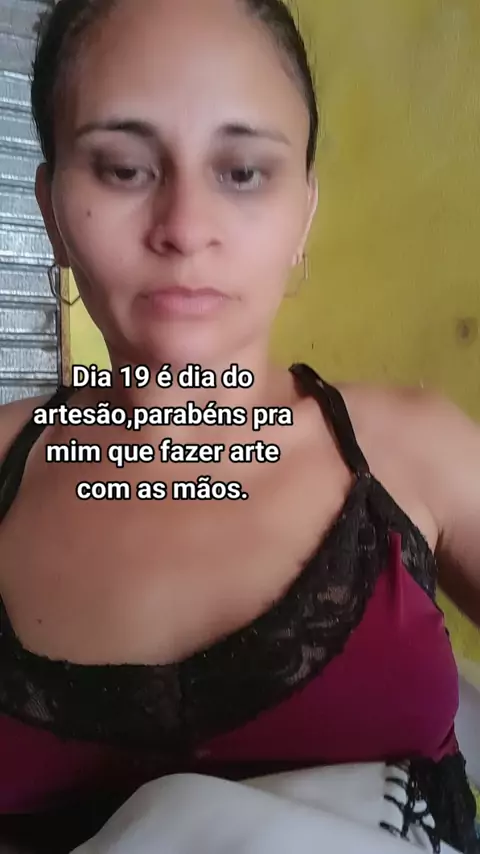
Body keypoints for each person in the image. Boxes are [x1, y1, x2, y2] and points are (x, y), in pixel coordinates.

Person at [0, 0, 478, 850]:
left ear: (304, 211)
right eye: (122, 168)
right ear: (51, 212)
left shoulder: (420, 452)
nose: (185, 230)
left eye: (244, 171)